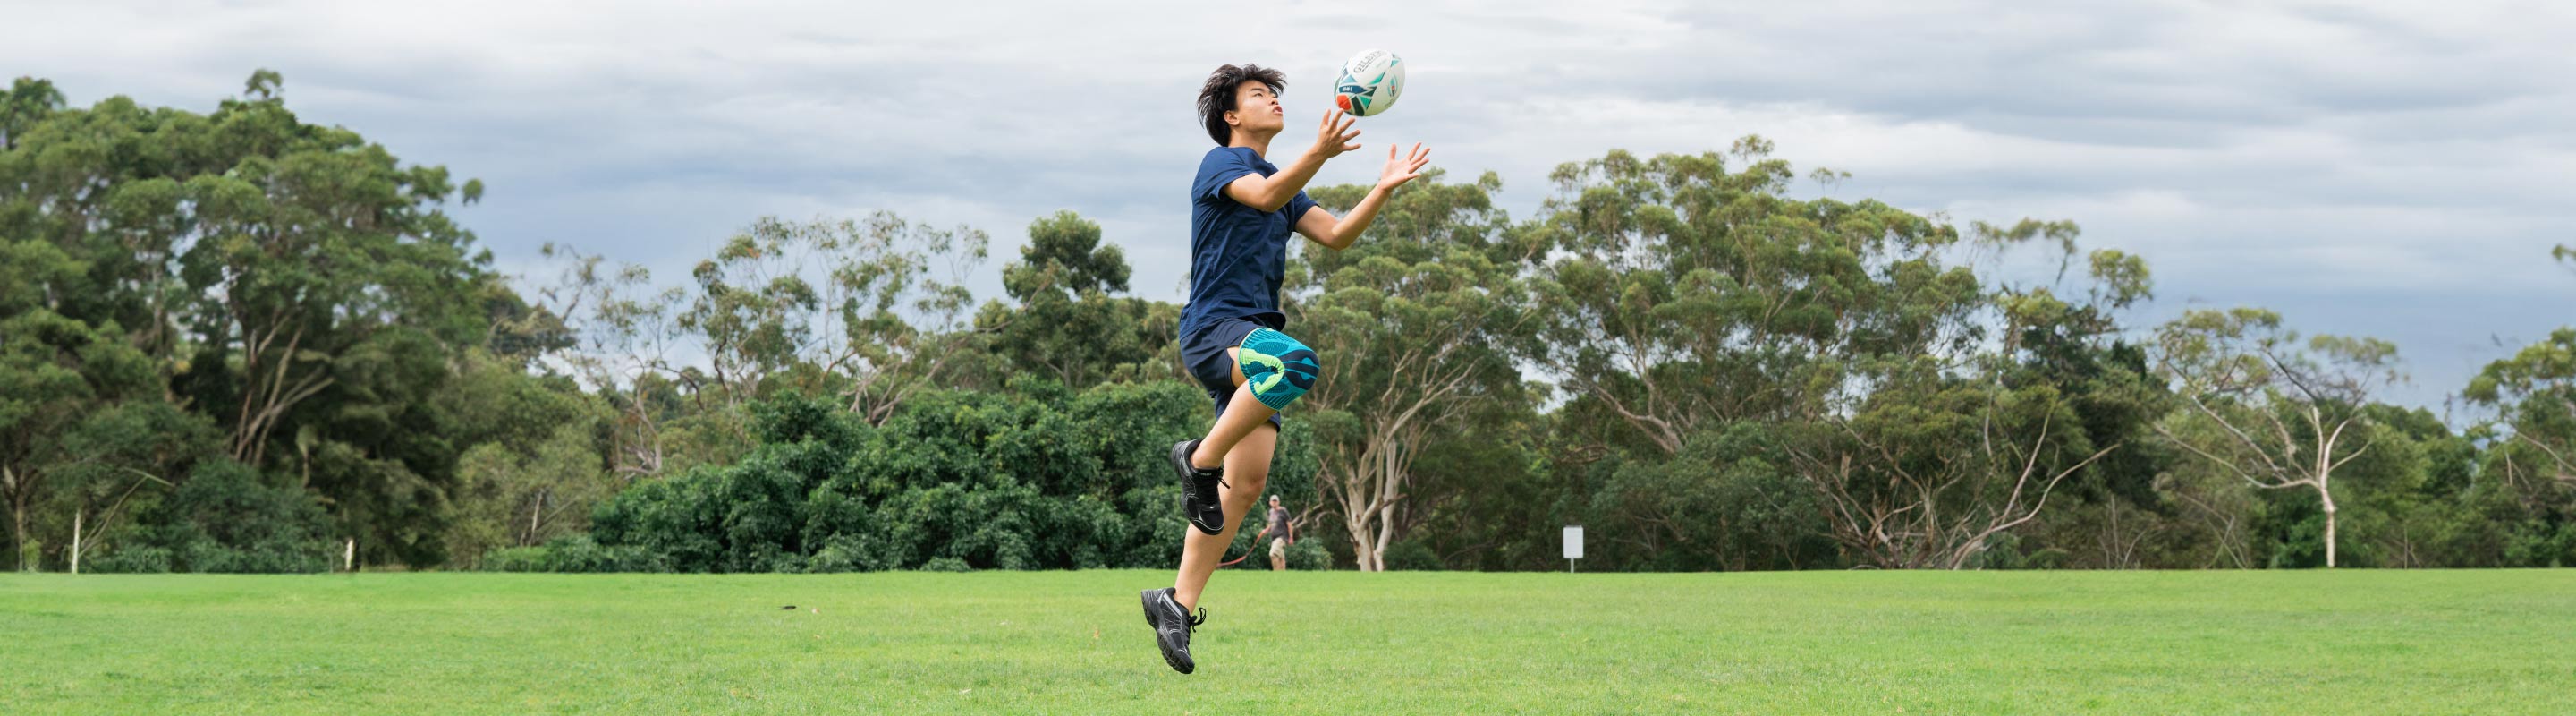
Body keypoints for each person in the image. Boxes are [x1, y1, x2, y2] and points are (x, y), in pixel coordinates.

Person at [1140, 62, 1429, 675]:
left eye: (1274, 92)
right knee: (1296, 363)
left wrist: (1382, 187)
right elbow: (1264, 196)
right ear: (1231, 116)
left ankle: (1175, 603)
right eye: (1258, 94)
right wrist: (1321, 152)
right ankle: (1196, 458)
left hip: (1254, 343)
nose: (1272, 99)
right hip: (1218, 330)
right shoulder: (1224, 164)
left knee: (1245, 488)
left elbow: (1337, 234)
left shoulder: (1283, 181)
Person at [1262, 494, 1294, 571]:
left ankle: (1276, 573)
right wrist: (1265, 530)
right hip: (1274, 538)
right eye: (1273, 501)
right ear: (1270, 502)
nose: (1274, 503)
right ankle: (1282, 575)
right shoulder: (1271, 512)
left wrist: (1291, 537)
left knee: (1273, 554)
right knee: (1281, 558)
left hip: (1282, 537)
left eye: (1276, 501)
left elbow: (1289, 524)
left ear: (1278, 502)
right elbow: (1271, 524)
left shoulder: (1283, 511)